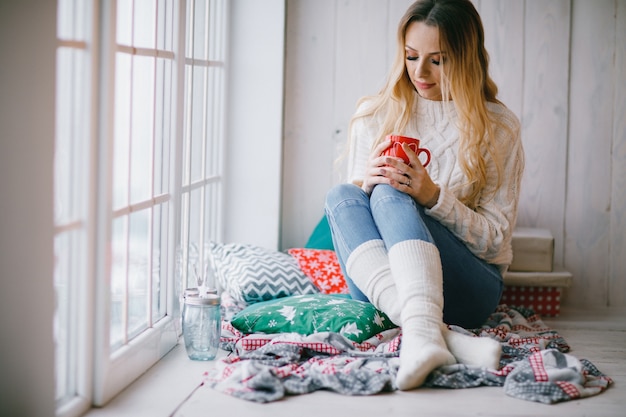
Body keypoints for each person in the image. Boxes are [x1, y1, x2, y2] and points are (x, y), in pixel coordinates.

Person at [325, 0, 524, 391]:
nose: (419, 72)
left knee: (391, 194)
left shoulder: (499, 127)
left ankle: (425, 332)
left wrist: (434, 197)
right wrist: (367, 184)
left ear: (466, 59)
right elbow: (356, 226)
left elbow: (497, 243)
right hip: (383, 285)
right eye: (412, 56)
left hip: (470, 289)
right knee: (342, 195)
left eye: (438, 60)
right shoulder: (375, 113)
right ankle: (434, 337)